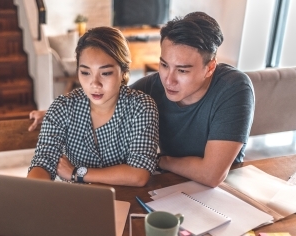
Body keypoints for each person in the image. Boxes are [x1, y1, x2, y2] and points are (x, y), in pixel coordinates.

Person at [29, 12, 255, 188]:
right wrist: (53, 113)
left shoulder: (233, 87)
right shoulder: (151, 87)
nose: (168, 79)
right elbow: (107, 98)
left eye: (182, 71)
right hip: (168, 186)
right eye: (164, 64)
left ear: (210, 67)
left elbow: (212, 175)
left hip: (223, 191)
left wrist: (159, 161)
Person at [27, 26, 159, 187]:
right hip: (79, 202)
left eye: (106, 73)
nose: (94, 84)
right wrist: (31, 193)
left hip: (128, 200)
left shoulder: (141, 107)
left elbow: (139, 174)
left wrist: (77, 173)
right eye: (85, 72)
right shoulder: (62, 108)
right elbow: (43, 162)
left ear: (124, 71)